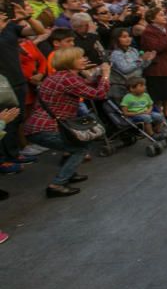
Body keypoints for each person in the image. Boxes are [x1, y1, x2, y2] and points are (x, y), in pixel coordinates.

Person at [22, 47, 110, 198]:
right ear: (69, 61)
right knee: (80, 148)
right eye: (80, 58)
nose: (84, 59)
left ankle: (69, 173)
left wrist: (96, 75)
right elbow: (98, 94)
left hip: (40, 126)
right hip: (47, 127)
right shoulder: (68, 79)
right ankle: (58, 184)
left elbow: (86, 85)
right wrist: (106, 76)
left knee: (73, 146)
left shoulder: (61, 76)